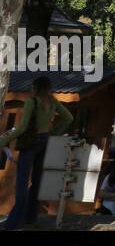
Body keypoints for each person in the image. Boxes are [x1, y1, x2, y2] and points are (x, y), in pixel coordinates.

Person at [0, 76, 74, 229]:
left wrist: (2, 141)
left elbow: (22, 128)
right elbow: (68, 118)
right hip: (45, 141)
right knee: (37, 180)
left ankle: (15, 221)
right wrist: (53, 133)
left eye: (32, 87)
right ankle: (30, 217)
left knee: (22, 182)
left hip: (30, 143)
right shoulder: (52, 101)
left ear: (36, 88)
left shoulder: (31, 102)